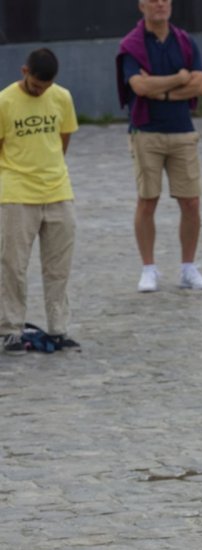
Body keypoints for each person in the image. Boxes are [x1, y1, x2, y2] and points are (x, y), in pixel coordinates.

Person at [116, 0, 202, 293]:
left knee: (191, 202)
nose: (160, 5)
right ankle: (149, 269)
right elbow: (139, 87)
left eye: (165, 0)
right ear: (141, 6)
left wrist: (163, 93)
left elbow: (201, 85)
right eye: (153, 0)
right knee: (148, 201)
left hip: (182, 130)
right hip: (146, 132)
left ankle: (188, 268)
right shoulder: (131, 45)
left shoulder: (185, 41)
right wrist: (179, 79)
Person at [0, 48, 79, 353]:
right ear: (24, 72)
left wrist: (51, 170)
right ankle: (10, 329)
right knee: (12, 265)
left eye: (45, 87)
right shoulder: (5, 101)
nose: (39, 91)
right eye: (35, 85)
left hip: (58, 191)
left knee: (58, 266)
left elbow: (63, 138)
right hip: (17, 195)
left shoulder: (62, 97)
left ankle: (59, 328)